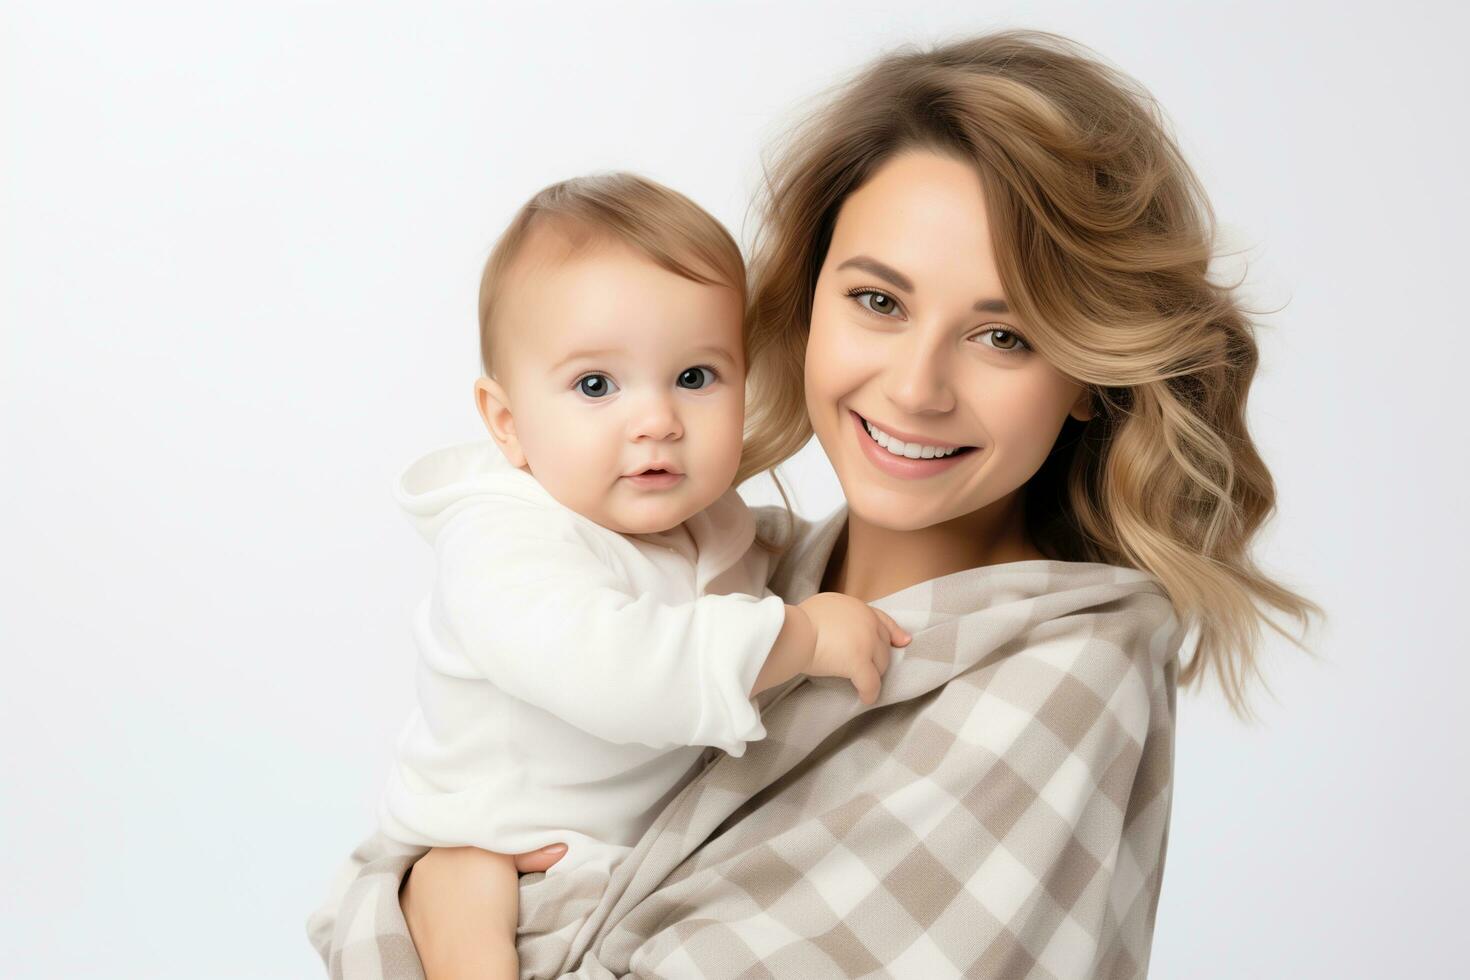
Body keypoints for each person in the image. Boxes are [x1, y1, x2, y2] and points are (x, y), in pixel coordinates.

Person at [309, 29, 1322, 979]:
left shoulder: (1067, 670)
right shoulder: (739, 567)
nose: (918, 388)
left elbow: (398, 900)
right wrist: (420, 875)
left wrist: (444, 895)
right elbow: (365, 881)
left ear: (1091, 373)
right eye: (879, 301)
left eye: (1004, 334)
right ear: (806, 301)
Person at [371, 172, 908, 979]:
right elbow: (616, 667)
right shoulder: (502, 538)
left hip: (626, 854)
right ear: (508, 423)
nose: (656, 420)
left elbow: (762, 560)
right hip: (499, 848)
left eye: (696, 377)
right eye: (596, 386)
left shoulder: (706, 518)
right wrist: (798, 637)